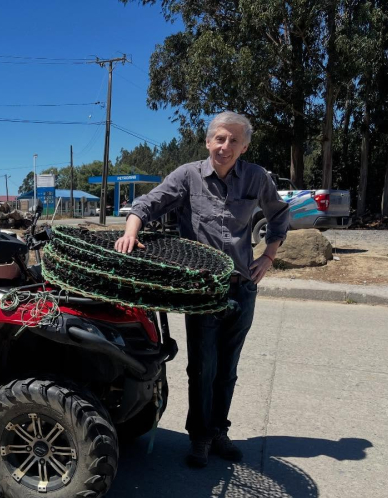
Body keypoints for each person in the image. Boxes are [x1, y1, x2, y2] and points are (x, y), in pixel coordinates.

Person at [114, 111, 290, 468]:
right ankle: (199, 437)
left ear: (244, 146)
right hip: (203, 291)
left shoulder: (256, 177)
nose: (226, 146)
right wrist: (131, 231)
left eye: (234, 140)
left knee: (227, 368)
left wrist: (268, 256)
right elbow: (148, 203)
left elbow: (279, 213)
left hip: (242, 288)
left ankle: (219, 431)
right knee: (203, 367)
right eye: (220, 138)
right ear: (209, 141)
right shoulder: (188, 175)